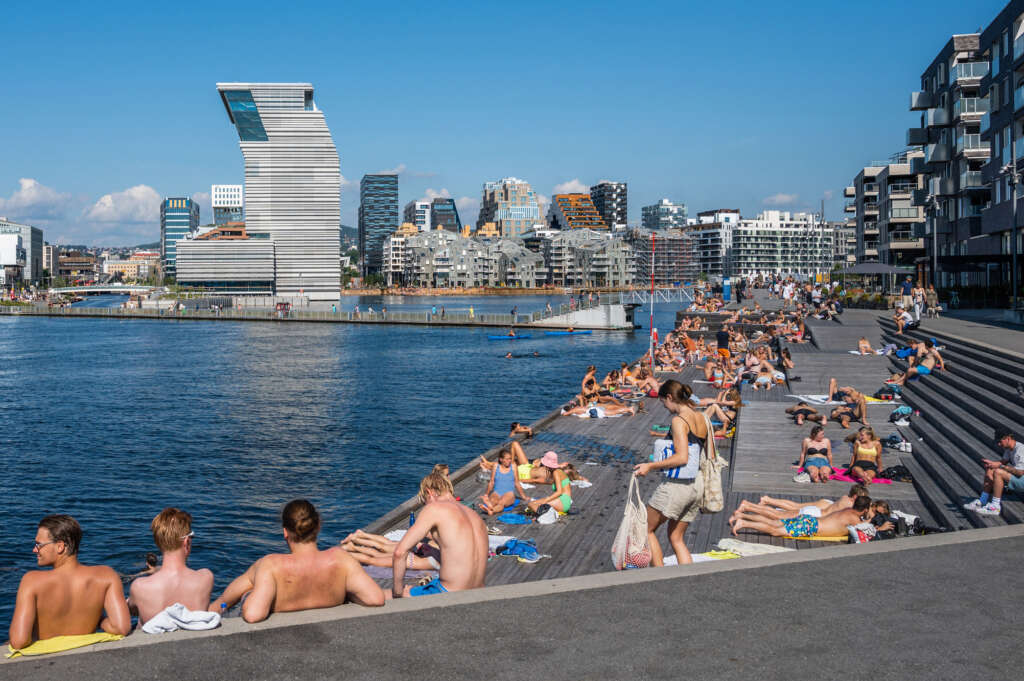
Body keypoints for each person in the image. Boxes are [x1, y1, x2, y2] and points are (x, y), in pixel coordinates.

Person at [210, 500, 384, 622]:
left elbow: (253, 615)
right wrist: (345, 594)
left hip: (279, 646)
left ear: (285, 532)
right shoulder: (340, 559)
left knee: (230, 598)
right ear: (318, 526)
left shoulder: (271, 564)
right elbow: (375, 598)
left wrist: (247, 597)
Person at [9, 515, 132, 650]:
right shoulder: (107, 576)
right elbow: (121, 627)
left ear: (60, 546)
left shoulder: (31, 581)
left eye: (39, 545)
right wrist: (99, 619)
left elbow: (18, 641)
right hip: (87, 660)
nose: (34, 550)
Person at [633, 380, 708, 566]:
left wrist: (651, 465)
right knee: (676, 537)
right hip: (697, 484)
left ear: (669, 397)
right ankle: (686, 578)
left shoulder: (678, 420)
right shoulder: (701, 417)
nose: (665, 407)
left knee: (645, 529)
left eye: (663, 403)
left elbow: (682, 457)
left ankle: (660, 578)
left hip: (677, 487)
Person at [392, 472, 487, 597]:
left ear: (429, 493)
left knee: (384, 596)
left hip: (449, 592)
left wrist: (398, 592)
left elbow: (399, 552)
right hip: (480, 592)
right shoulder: (474, 515)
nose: (426, 506)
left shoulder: (434, 508)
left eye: (425, 502)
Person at [129, 508, 214, 628]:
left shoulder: (140, 587)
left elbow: (131, 610)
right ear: (186, 542)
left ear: (158, 542)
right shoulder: (205, 578)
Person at [732, 496, 874, 539]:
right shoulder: (854, 519)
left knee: (774, 522)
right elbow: (867, 531)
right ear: (865, 509)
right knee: (775, 530)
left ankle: (743, 517)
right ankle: (743, 522)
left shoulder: (847, 510)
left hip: (809, 519)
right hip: (810, 526)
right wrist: (870, 518)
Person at [730, 485, 868, 524]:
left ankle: (749, 506)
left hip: (816, 511)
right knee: (778, 516)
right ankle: (747, 507)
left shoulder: (845, 498)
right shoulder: (850, 506)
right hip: (814, 514)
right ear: (856, 497)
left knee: (782, 512)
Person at [964, 428, 1024, 516]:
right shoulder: (1009, 449)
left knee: (998, 472)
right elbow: (1002, 462)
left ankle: (995, 507)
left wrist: (1000, 466)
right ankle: (982, 501)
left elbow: (1020, 473)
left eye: (1000, 441)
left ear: (1008, 438)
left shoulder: (1020, 449)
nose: (999, 444)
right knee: (991, 469)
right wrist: (991, 464)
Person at [478, 448, 530, 515]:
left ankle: (491, 510)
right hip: (497, 492)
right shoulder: (496, 466)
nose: (509, 461)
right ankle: (490, 506)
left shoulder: (513, 466)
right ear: (501, 459)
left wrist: (524, 496)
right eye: (507, 459)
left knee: (501, 503)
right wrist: (486, 494)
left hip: (509, 493)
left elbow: (517, 483)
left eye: (510, 458)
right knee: (493, 501)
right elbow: (491, 482)